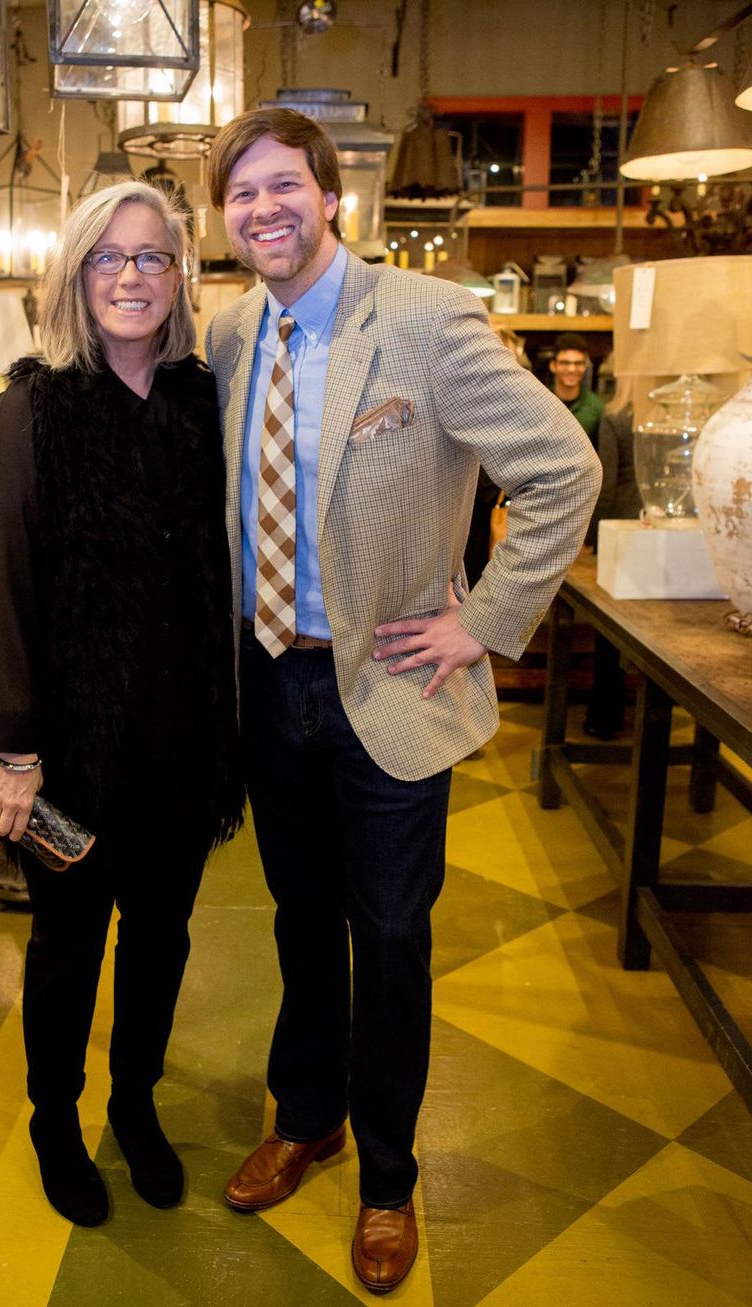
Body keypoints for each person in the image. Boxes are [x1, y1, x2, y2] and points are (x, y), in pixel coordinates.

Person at [204, 108, 601, 1295]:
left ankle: (386, 1175)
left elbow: (559, 469)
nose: (262, 209)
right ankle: (306, 1113)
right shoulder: (229, 334)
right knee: (294, 916)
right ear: (222, 219)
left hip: (386, 682)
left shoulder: (424, 323)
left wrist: (480, 621)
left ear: (330, 196)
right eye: (239, 195)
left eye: (283, 185)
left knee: (387, 935)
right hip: (271, 677)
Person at [0, 180, 242, 1229]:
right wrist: (14, 753)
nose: (131, 275)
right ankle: (54, 1118)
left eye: (152, 256)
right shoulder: (34, 408)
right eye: (108, 258)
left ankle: (132, 1099)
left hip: (180, 741)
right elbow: (7, 590)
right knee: (68, 943)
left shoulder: (198, 402)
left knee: (159, 938)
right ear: (76, 275)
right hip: (65, 758)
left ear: (179, 276)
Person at [584, 382, 641, 739]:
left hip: (620, 530)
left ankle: (606, 715)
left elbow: (603, 479)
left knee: (609, 630)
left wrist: (591, 537)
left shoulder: (616, 416)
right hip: (667, 531)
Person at [548, 331, 605, 444]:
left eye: (578, 363)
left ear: (585, 367)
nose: (572, 369)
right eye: (565, 363)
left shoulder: (597, 407)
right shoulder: (540, 402)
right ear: (553, 366)